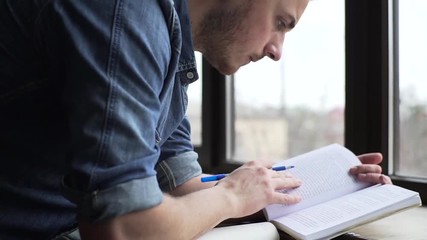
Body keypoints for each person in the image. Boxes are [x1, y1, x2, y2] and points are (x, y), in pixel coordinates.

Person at [0, 0, 392, 239]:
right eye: (282, 22)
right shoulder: (124, 14)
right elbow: (123, 229)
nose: (277, 50)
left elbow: (185, 187)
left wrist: (312, 188)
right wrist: (233, 195)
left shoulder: (169, 48)